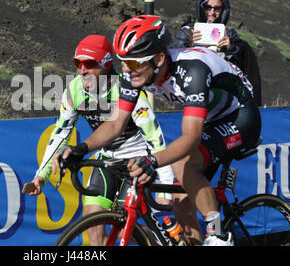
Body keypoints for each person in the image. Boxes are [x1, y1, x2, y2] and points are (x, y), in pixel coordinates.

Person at [54, 15, 262, 246]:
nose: (126, 69)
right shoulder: (135, 71)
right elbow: (115, 123)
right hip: (209, 117)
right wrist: (80, 149)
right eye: (122, 61)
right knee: (180, 201)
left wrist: (152, 160)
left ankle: (218, 235)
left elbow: (191, 137)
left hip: (240, 116)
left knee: (183, 162)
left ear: (159, 58)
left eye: (133, 63)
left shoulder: (192, 71)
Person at [27, 34, 174, 245]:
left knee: (125, 226)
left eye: (89, 64)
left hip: (138, 159)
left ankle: (161, 239)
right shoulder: (74, 90)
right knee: (94, 226)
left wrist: (165, 185)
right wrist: (41, 175)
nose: (82, 70)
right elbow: (61, 133)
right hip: (107, 158)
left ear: (105, 64)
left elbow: (154, 137)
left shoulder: (127, 88)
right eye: (78, 63)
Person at [173, 0, 262, 106]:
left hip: (223, 95)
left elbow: (242, 72)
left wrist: (231, 49)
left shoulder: (231, 36)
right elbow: (174, 68)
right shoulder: (187, 33)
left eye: (217, 8)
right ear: (201, 7)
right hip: (193, 93)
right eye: (207, 7)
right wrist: (190, 47)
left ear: (224, 10)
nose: (212, 13)